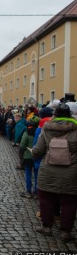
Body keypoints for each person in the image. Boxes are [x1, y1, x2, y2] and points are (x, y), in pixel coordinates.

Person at [32, 103, 77, 242]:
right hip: (71, 172)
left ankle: (47, 227)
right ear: (70, 115)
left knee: (45, 199)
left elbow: (38, 151)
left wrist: (33, 152)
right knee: (69, 202)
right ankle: (65, 232)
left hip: (48, 171)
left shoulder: (46, 128)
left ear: (55, 115)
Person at [19, 116, 40, 198]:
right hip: (37, 156)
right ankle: (36, 192)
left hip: (28, 157)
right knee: (36, 175)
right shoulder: (40, 132)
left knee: (28, 173)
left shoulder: (27, 132)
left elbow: (22, 145)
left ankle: (28, 191)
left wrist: (21, 156)